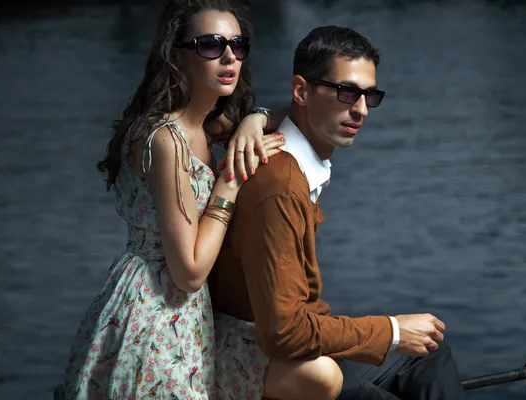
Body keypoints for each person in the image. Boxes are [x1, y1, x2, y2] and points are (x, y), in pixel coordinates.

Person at [63, 1, 342, 399]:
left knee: (317, 373)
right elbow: (189, 272)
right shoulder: (166, 140)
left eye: (238, 45)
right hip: (156, 314)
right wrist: (228, 185)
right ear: (177, 54)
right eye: (211, 45)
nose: (229, 56)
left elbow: (296, 115)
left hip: (195, 312)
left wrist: (254, 119)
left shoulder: (208, 122)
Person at [209, 25, 467, 400]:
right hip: (275, 366)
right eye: (347, 93)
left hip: (300, 350)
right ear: (301, 91)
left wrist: (258, 115)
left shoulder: (292, 161)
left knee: (430, 352)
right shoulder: (279, 187)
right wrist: (393, 331)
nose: (361, 110)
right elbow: (283, 333)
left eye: (369, 96)